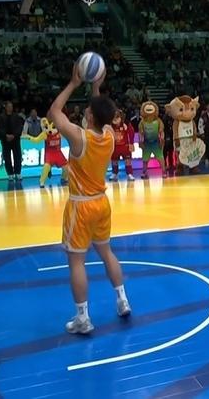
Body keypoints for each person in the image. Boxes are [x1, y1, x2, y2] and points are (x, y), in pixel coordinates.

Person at [47, 64, 130, 335]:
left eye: (89, 109)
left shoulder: (79, 137)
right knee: (107, 252)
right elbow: (101, 112)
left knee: (76, 263)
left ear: (91, 115)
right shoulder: (109, 136)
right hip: (102, 203)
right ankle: (122, 299)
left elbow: (54, 112)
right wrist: (95, 85)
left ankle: (83, 318)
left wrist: (73, 83)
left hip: (81, 205)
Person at [0, 101, 24, 181]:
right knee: (7, 157)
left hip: (15, 139)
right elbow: (0, 128)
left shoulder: (16, 116)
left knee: (17, 156)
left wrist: (14, 135)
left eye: (11, 106)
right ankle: (10, 174)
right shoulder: (1, 117)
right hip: (5, 140)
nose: (10, 108)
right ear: (6, 107)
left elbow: (19, 127)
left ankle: (18, 173)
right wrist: (6, 135)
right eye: (9, 106)